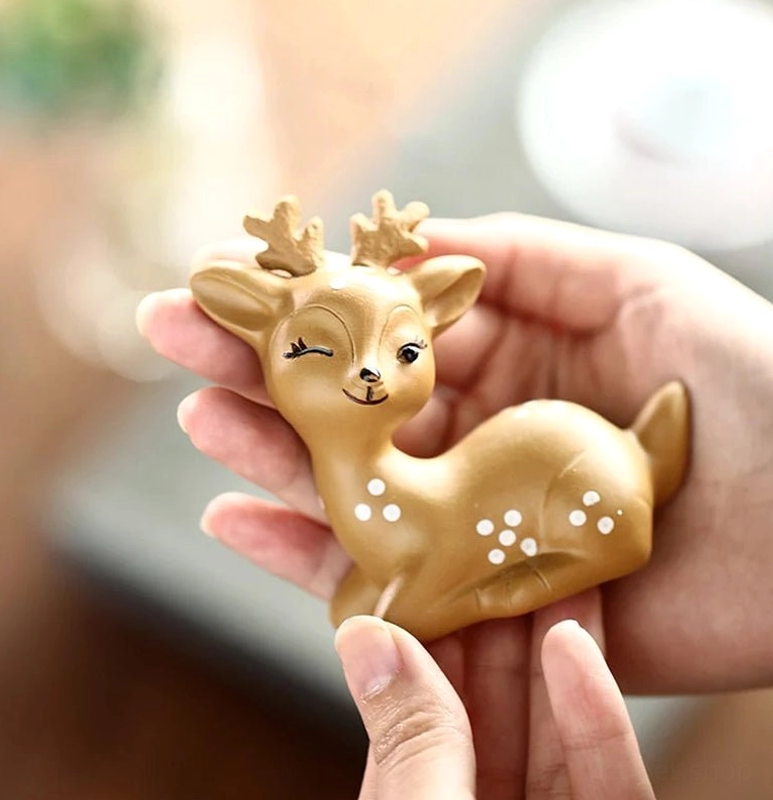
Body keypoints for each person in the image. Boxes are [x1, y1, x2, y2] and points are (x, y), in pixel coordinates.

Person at [136, 212, 773, 799]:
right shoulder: (392, 504)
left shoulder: (415, 514)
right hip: (542, 464)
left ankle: (558, 559)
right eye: (315, 349)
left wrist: (463, 597)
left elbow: (411, 609)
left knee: (473, 578)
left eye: (404, 351)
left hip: (602, 493)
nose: (368, 372)